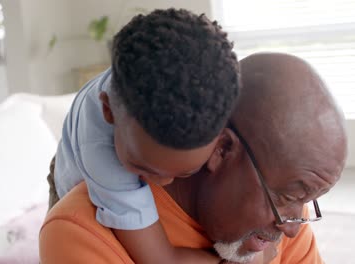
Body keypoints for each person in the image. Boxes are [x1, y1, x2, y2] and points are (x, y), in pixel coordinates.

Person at [40, 53, 348, 264]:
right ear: (221, 149)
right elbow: (162, 259)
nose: (293, 226)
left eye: (306, 198)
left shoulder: (284, 216)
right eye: (287, 196)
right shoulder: (81, 230)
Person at [48, 8, 240, 264]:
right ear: (108, 111)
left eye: (184, 172)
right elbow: (161, 260)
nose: (162, 183)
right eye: (141, 167)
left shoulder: (215, 94)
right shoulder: (102, 154)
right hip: (74, 180)